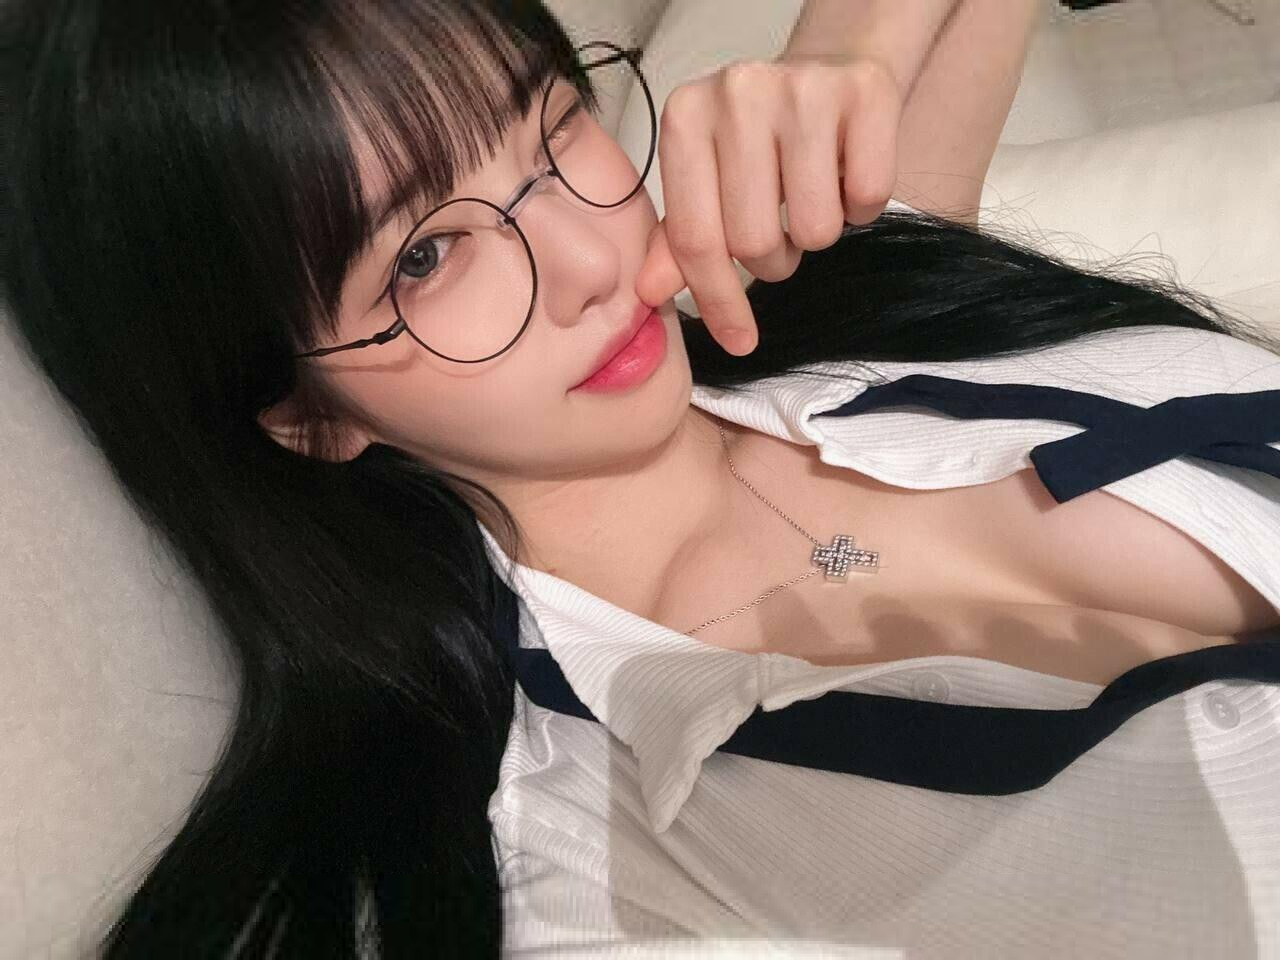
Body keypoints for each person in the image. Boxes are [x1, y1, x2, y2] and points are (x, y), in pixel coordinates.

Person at [2, 0, 1278, 956]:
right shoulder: (603, 862)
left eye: (551, 124)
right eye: (427, 257)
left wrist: (843, 57)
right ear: (303, 416)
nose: (587, 257)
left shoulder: (838, 297)